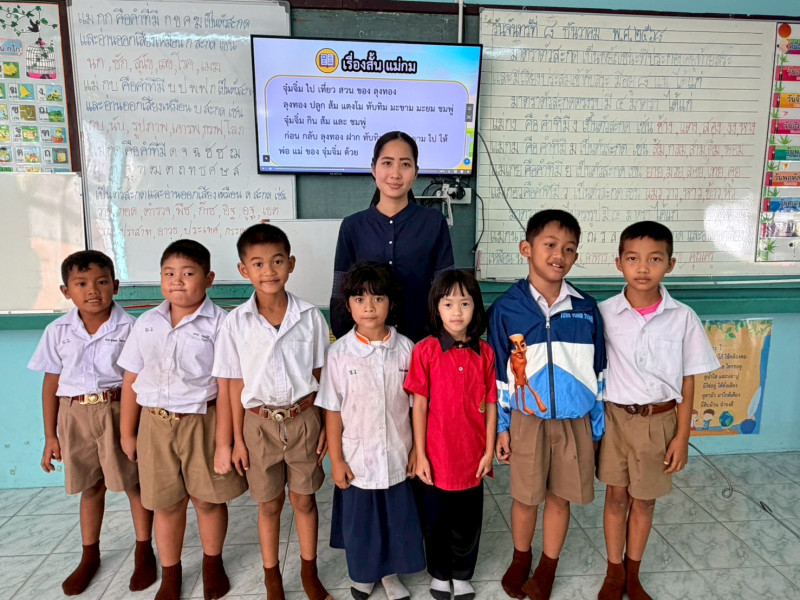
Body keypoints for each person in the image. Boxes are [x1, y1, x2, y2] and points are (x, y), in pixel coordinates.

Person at [596, 222, 720, 600]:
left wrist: (682, 437)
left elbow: (688, 382)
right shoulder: (603, 314)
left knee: (645, 499)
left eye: (654, 259)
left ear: (670, 264)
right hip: (615, 418)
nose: (643, 268)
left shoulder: (683, 317)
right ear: (619, 263)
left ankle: (633, 573)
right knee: (616, 496)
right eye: (633, 258)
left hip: (659, 420)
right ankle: (614, 571)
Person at [118, 240, 247, 600]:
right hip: (154, 423)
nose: (177, 281)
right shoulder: (146, 323)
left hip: (202, 421)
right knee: (166, 503)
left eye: (188, 273)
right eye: (169, 273)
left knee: (208, 500)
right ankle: (171, 573)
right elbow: (131, 378)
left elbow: (228, 387)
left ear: (208, 279)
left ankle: (212, 563)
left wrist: (225, 443)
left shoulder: (222, 324)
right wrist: (128, 432)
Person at [487, 210, 606, 600]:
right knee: (525, 497)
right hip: (526, 420)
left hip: (575, 421)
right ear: (527, 248)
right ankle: (521, 558)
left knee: (560, 496)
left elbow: (598, 371)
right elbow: (500, 375)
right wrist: (502, 426)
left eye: (569, 249)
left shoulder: (586, 308)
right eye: (550, 245)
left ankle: (548, 566)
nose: (560, 255)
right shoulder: (506, 308)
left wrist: (598, 428)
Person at [212, 223, 332, 600]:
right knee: (268, 504)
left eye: (277, 261)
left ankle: (309, 572)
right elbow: (232, 386)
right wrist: (234, 441)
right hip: (258, 424)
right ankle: (272, 579)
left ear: (291, 264)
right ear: (244, 270)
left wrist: (325, 425)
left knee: (304, 499)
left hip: (304, 419)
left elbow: (321, 375)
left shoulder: (310, 317)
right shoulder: (235, 323)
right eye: (258, 264)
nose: (269, 271)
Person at [28, 250, 156, 596]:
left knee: (134, 483)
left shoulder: (131, 328)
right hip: (74, 414)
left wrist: (135, 429)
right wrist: (50, 436)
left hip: (118, 410)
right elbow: (51, 385)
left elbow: (138, 379)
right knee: (90, 486)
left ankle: (144, 551)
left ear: (115, 286)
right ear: (65, 290)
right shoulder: (57, 331)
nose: (92, 291)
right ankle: (90, 555)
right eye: (81, 284)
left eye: (101, 282)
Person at [317, 262, 424, 600]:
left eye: (378, 298)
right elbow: (332, 410)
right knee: (362, 522)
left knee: (394, 519)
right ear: (348, 305)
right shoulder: (338, 353)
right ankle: (364, 575)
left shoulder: (407, 349)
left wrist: (416, 450)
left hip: (397, 450)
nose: (369, 307)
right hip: (356, 456)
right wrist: (336, 460)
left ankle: (390, 575)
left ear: (390, 302)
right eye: (359, 299)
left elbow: (415, 407)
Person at [405, 270, 498, 600]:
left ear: (476, 307)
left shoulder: (485, 353)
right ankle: (440, 573)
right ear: (437, 308)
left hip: (472, 456)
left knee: (468, 521)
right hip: (436, 456)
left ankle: (461, 573)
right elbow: (419, 406)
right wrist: (420, 454)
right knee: (436, 520)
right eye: (448, 304)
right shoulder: (425, 350)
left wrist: (488, 451)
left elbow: (491, 405)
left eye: (465, 303)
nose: (457, 311)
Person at [330, 130, 454, 342]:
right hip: (368, 344)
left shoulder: (434, 222)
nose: (395, 174)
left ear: (415, 172)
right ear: (373, 169)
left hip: (423, 342)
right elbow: (341, 291)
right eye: (387, 163)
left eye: (405, 164)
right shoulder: (352, 226)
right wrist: (349, 342)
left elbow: (447, 289)